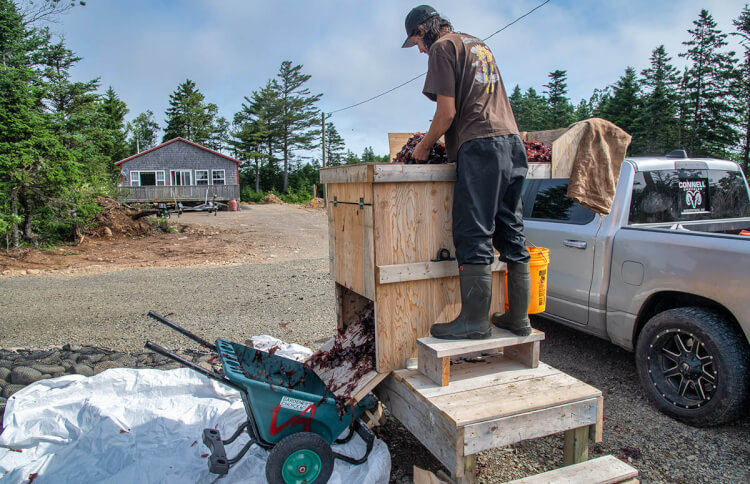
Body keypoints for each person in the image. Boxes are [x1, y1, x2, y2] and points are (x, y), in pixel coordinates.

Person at [402, 5, 532, 339]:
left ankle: (474, 323)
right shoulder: (478, 44)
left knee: (473, 233)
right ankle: (518, 319)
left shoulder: (443, 47)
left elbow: (446, 113)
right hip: (512, 145)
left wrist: (424, 146)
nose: (418, 49)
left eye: (416, 40)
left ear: (423, 29)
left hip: (481, 147)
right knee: (511, 230)